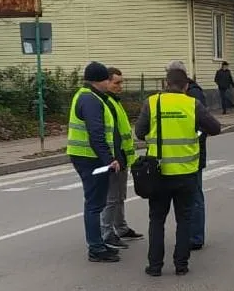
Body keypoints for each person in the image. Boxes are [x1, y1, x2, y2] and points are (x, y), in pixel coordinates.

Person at [136, 67, 221, 277]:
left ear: (166, 84)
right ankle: (181, 265)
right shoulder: (193, 104)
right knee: (184, 219)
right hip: (186, 173)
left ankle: (154, 266)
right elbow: (215, 128)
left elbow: (139, 132)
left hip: (158, 173)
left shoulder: (152, 103)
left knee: (156, 220)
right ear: (186, 86)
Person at [66, 61, 121, 263]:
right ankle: (96, 248)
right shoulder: (91, 100)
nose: (110, 83)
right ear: (100, 81)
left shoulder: (86, 95)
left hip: (87, 156)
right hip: (91, 159)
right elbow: (96, 133)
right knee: (94, 204)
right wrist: (110, 160)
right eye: (108, 79)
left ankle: (98, 242)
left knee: (96, 202)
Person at [165, 60, 207, 251]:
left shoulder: (194, 94)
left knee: (194, 197)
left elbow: (205, 125)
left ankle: (195, 237)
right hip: (172, 157)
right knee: (180, 200)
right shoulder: (163, 99)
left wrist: (194, 138)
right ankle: (187, 235)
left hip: (192, 155)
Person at [100, 67, 143, 250]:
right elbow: (112, 134)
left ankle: (121, 227)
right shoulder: (107, 103)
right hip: (115, 158)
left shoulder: (115, 101)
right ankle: (107, 234)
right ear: (107, 82)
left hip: (122, 157)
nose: (120, 86)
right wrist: (113, 158)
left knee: (120, 196)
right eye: (117, 82)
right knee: (111, 198)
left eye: (121, 82)